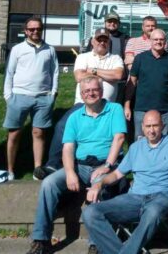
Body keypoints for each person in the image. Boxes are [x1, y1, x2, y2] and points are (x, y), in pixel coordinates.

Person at [26, 76, 126, 254]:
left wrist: (108, 165)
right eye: (86, 91)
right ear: (81, 94)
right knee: (48, 184)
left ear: (102, 92)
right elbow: (68, 148)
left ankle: (96, 244)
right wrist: (71, 172)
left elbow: (119, 138)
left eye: (94, 90)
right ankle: (41, 240)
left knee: (99, 188)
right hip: (79, 166)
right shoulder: (74, 117)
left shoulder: (114, 109)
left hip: (104, 166)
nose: (91, 93)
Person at [82, 110, 168, 254]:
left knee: (153, 212)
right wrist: (99, 184)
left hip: (162, 197)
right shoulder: (135, 148)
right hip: (134, 198)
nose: (151, 130)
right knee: (90, 212)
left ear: (163, 125)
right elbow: (117, 174)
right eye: (148, 126)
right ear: (142, 127)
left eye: (155, 126)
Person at [34, 28, 124, 180]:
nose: (102, 42)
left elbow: (118, 75)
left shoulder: (116, 58)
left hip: (107, 106)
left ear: (109, 41)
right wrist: (104, 74)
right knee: (62, 125)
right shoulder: (83, 57)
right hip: (82, 103)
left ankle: (111, 164)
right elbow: (79, 76)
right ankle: (53, 165)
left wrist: (93, 70)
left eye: (105, 39)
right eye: (99, 39)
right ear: (92, 41)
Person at [3, 17, 59, 180]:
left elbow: (55, 72)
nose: (36, 31)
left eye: (39, 29)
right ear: (26, 31)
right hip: (18, 96)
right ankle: (10, 170)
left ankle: (37, 170)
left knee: (38, 133)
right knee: (14, 134)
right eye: (32, 29)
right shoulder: (17, 49)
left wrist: (53, 93)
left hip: (43, 98)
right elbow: (9, 73)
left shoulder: (50, 50)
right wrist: (8, 96)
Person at [125, 29, 168, 139]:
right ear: (150, 41)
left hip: (164, 109)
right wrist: (127, 106)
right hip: (142, 108)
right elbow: (131, 83)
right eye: (155, 39)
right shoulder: (140, 58)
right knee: (140, 141)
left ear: (165, 41)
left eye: (161, 39)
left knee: (162, 142)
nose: (158, 42)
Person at [85, 12, 129, 104]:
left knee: (116, 107)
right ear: (105, 22)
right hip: (97, 78)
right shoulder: (94, 39)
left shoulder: (126, 39)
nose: (112, 24)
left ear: (119, 24)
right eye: (109, 21)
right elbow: (87, 56)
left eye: (115, 22)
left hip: (118, 80)